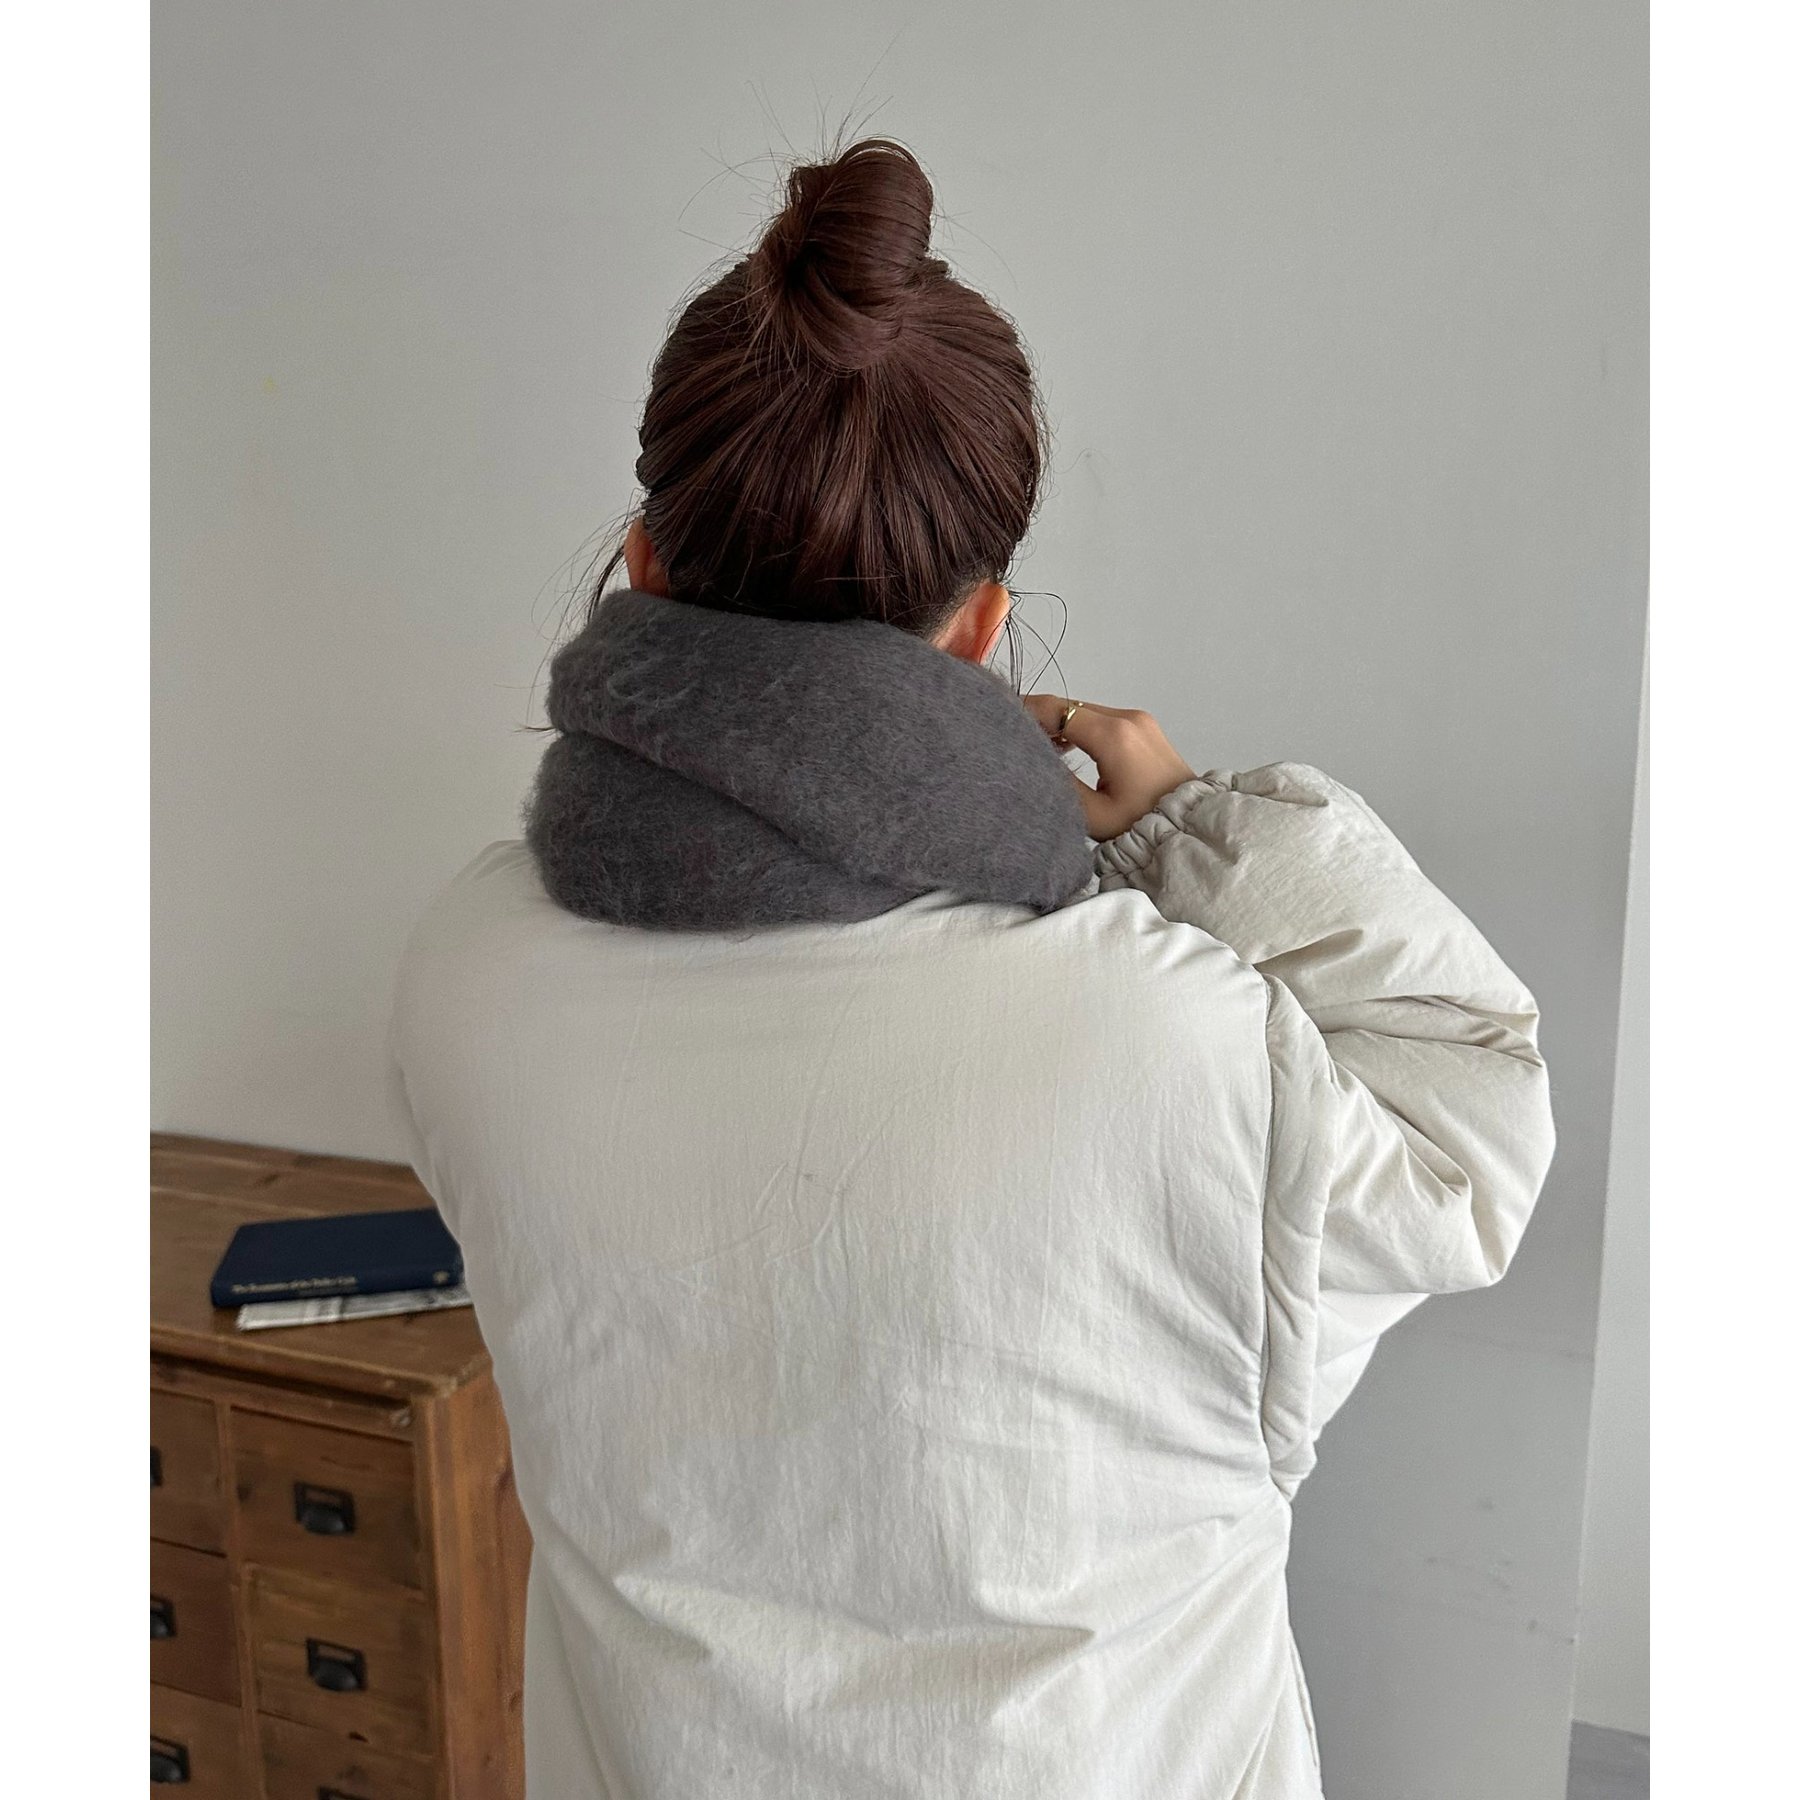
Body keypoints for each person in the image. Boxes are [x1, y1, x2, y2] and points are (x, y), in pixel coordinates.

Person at [388, 134, 1555, 1800]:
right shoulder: (1167, 1040)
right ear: (987, 624)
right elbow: (1470, 1126)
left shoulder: (464, 974)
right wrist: (1200, 836)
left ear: (646, 566)